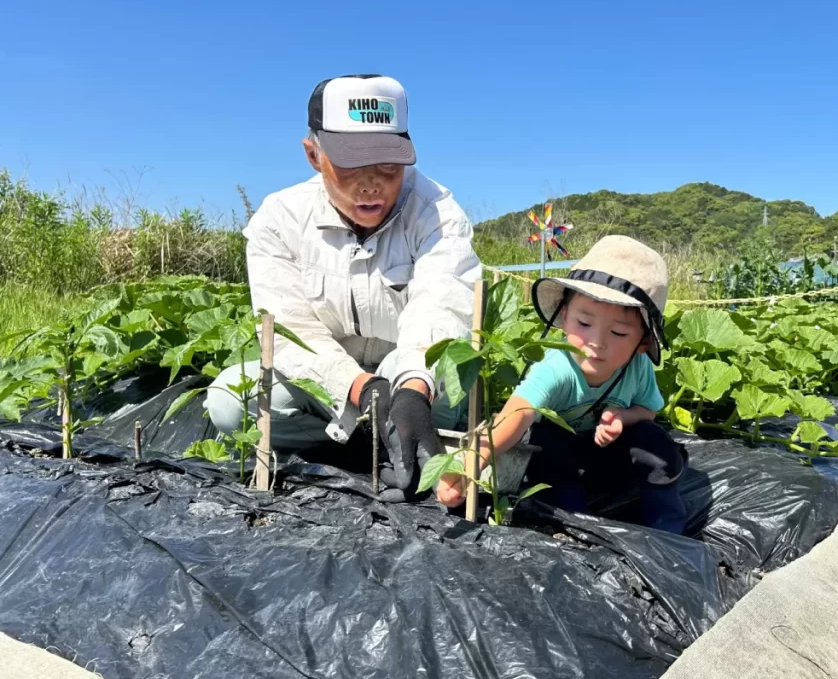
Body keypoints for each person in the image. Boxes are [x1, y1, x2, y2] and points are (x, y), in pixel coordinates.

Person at [205, 74, 481, 501]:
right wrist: (360, 388)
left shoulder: (437, 212)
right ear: (313, 155)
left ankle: (405, 435)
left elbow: (440, 306)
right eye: (351, 163)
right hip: (333, 378)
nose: (371, 183)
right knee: (230, 402)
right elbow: (292, 332)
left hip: (406, 370)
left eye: (389, 165)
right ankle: (365, 445)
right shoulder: (279, 220)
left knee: (451, 394)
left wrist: (413, 388)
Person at [435, 235, 687, 533]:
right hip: (563, 465)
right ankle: (574, 523)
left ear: (643, 343)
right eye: (584, 324)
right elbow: (518, 412)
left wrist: (623, 417)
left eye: (619, 333)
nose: (597, 342)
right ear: (564, 317)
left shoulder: (637, 367)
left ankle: (668, 532)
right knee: (548, 440)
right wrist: (469, 465)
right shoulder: (557, 366)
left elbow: (648, 409)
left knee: (657, 443)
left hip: (610, 461)